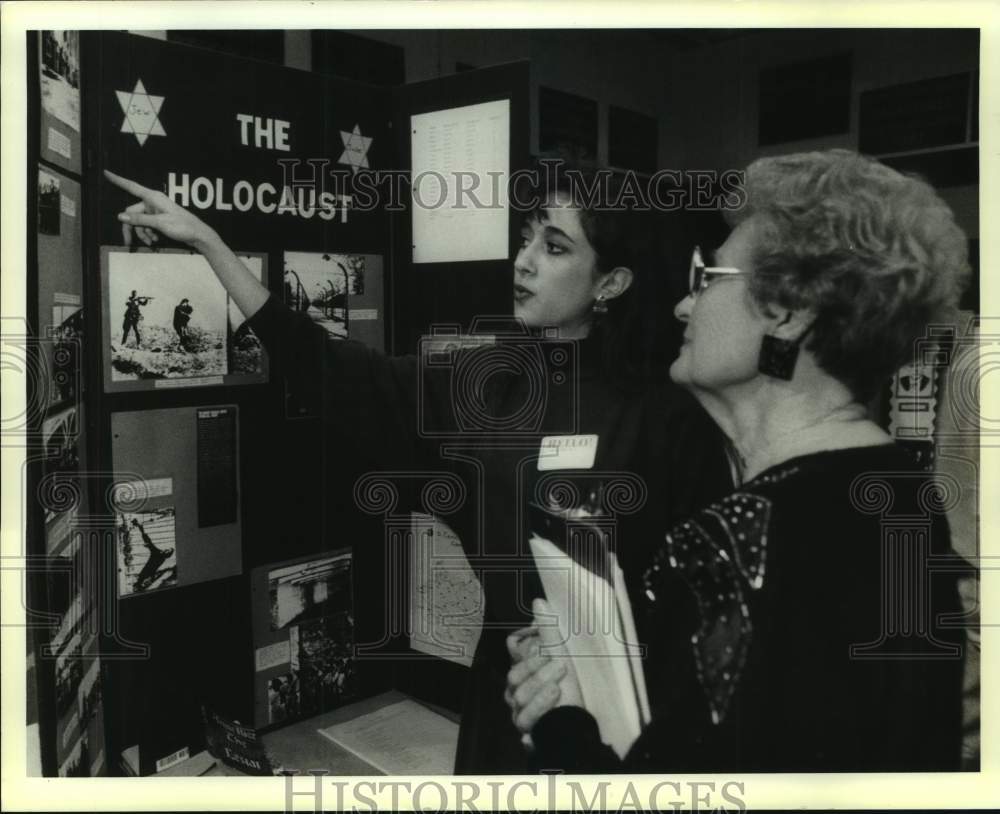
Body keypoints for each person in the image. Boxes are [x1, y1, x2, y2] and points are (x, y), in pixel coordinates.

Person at [104, 164, 730, 773]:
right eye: (525, 238)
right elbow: (336, 372)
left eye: (556, 246)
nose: (525, 260)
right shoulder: (491, 383)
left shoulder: (669, 416)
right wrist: (212, 246)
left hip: (619, 714)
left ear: (611, 284)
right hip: (504, 697)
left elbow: (703, 609)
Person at [504, 149, 970, 772]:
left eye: (710, 280)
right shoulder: (902, 496)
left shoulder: (730, 544)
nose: (683, 306)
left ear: (785, 315)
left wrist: (560, 720)